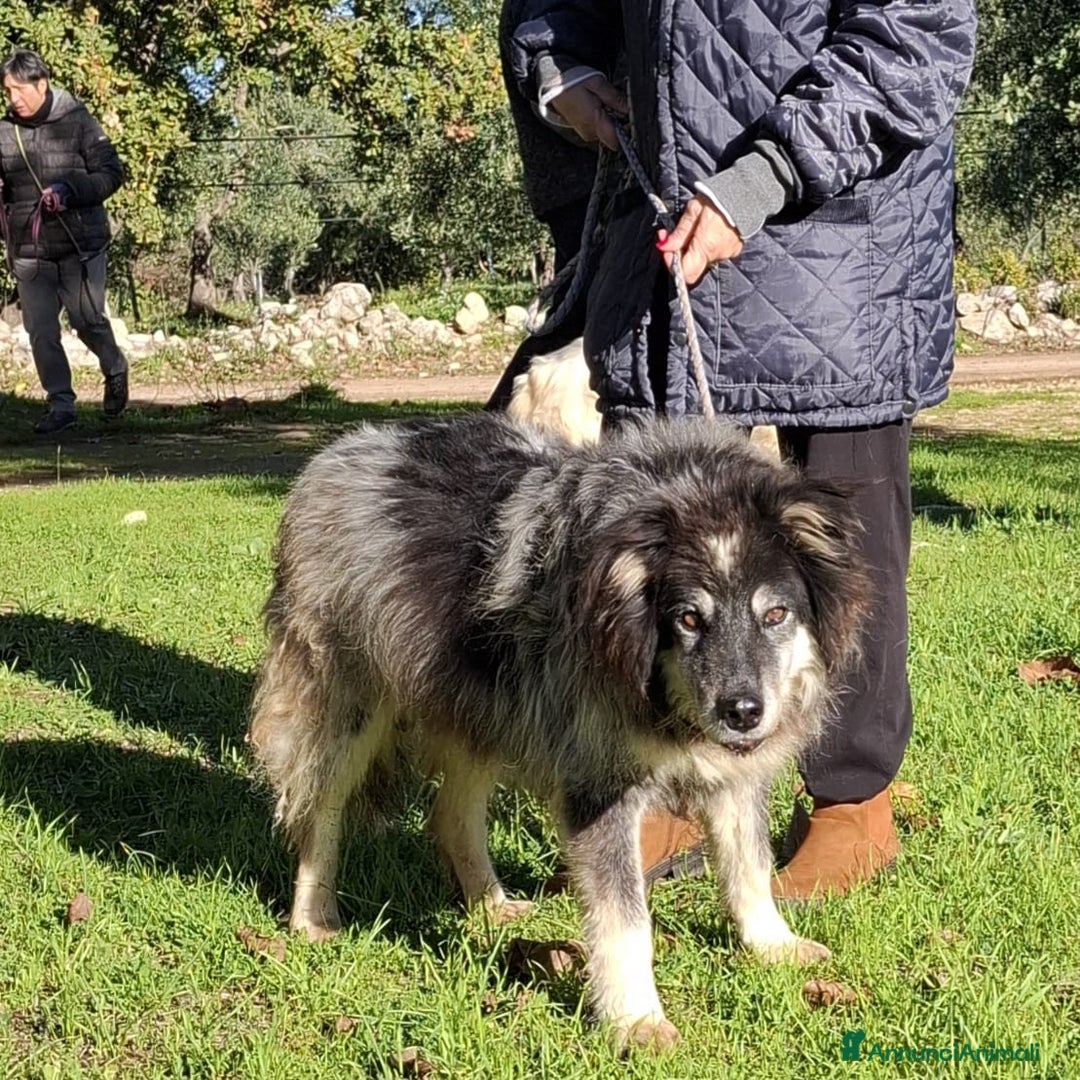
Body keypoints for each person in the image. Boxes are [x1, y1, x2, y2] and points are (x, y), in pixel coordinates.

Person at [506, 0, 977, 899]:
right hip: (665, 241)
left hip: (846, 248)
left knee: (844, 542)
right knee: (649, 553)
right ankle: (667, 785)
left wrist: (763, 176)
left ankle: (852, 801)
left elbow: (916, 34)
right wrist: (562, 67)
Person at [0, 49, 128, 435]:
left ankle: (114, 366)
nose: (13, 99)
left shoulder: (77, 119)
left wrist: (70, 190)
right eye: (7, 91)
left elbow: (111, 173)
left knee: (86, 319)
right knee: (40, 330)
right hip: (30, 250)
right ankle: (61, 405)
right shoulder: (4, 131)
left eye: (19, 89)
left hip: (80, 244)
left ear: (41, 84)